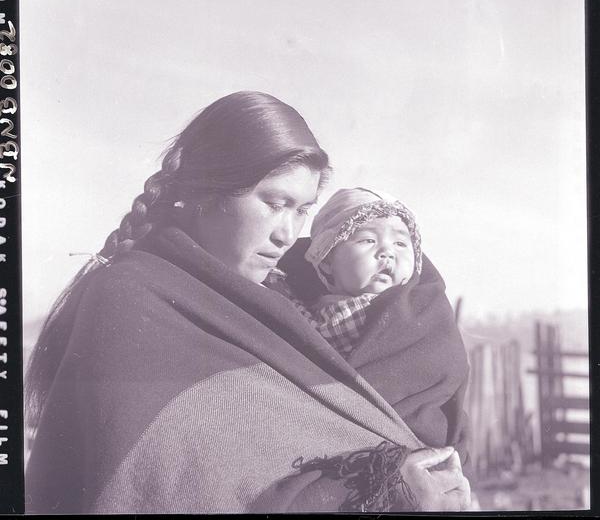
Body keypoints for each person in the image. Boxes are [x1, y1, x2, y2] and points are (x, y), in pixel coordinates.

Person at [24, 91, 471, 513]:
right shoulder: (131, 300)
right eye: (274, 203)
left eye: (302, 210)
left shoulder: (279, 306)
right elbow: (169, 488)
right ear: (208, 191)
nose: (287, 234)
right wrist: (380, 487)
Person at [297, 187, 470, 460]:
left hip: (415, 443)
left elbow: (442, 372)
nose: (387, 253)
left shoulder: (423, 315)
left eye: (401, 244)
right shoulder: (299, 315)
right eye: (367, 240)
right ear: (327, 259)